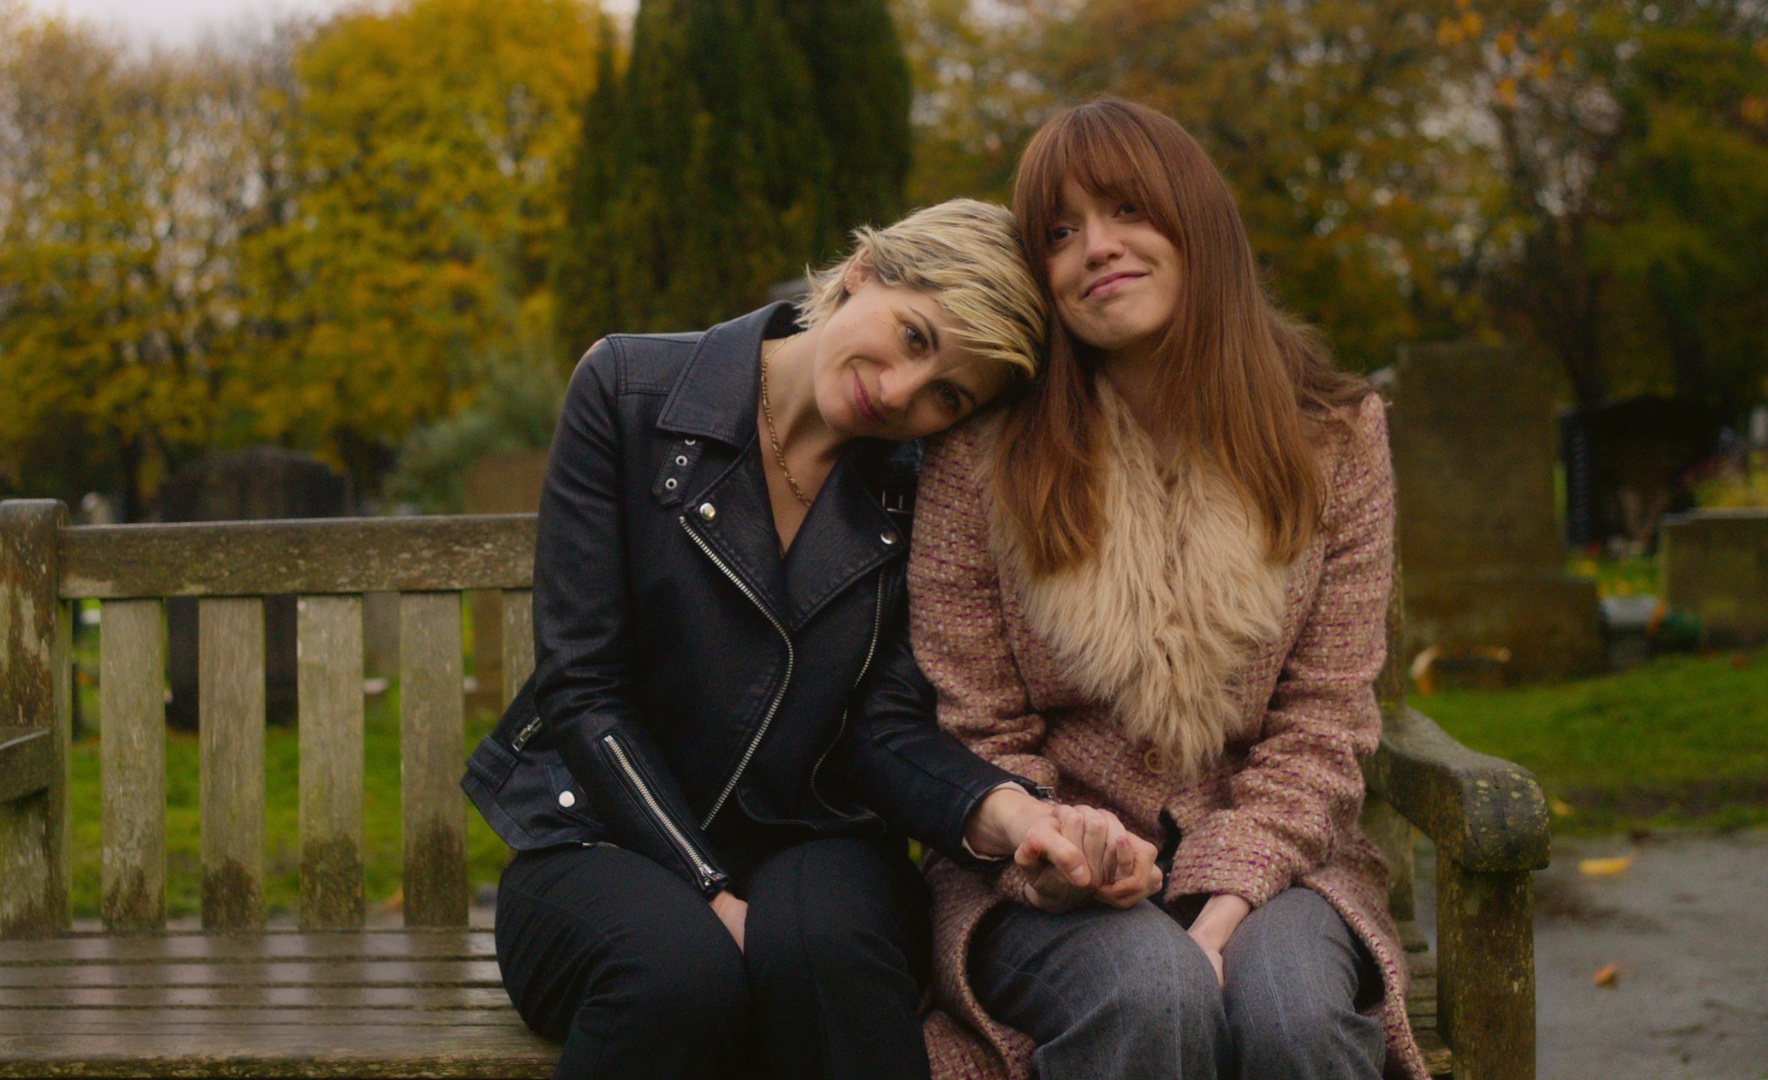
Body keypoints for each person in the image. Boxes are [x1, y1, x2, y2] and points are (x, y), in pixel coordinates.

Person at [463, 199, 1159, 1080]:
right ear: (864, 270)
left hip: (816, 837)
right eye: (914, 335)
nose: (904, 392)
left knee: (824, 959)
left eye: (949, 392)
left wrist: (1020, 816)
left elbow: (884, 730)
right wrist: (709, 892)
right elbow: (583, 689)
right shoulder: (630, 390)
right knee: (675, 978)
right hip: (596, 836)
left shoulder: (925, 485)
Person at [909, 100, 1430, 1080]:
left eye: (1127, 210)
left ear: (1196, 219)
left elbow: (1324, 719)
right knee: (1151, 996)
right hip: (1038, 874)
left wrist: (1222, 908)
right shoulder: (983, 459)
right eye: (1059, 233)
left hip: (1282, 860)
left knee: (1295, 1021)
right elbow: (973, 724)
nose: (1096, 248)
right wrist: (1069, 852)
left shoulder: (1333, 437)